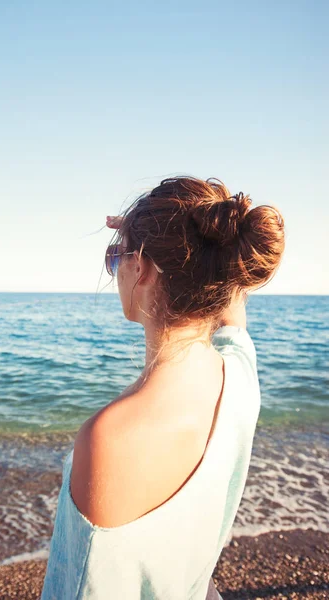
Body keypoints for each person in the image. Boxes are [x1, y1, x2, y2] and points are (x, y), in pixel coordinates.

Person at [40, 176, 285, 599]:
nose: (116, 269)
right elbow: (233, 315)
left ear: (145, 269)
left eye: (117, 258)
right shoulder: (238, 379)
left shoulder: (110, 440)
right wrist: (170, 247)